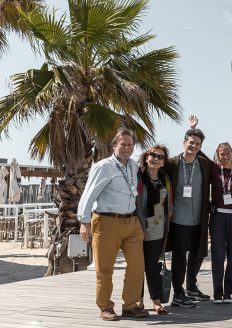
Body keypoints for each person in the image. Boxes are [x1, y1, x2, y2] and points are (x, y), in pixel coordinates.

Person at [77, 128, 148, 320]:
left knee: (136, 266)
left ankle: (131, 305)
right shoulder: (103, 166)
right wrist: (84, 222)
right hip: (106, 222)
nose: (126, 148)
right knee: (104, 269)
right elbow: (88, 194)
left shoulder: (133, 165)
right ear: (114, 145)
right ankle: (105, 307)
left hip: (132, 222)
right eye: (122, 144)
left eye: (130, 144)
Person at [189, 116, 232, 304]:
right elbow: (198, 151)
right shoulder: (214, 168)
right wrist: (194, 128)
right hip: (218, 217)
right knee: (218, 256)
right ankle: (218, 292)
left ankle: (229, 292)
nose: (224, 155)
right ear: (217, 155)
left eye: (227, 152)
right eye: (221, 153)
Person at [163, 128, 212, 306]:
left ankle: (191, 287)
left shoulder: (204, 164)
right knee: (179, 258)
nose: (194, 146)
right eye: (191, 142)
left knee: (198, 255)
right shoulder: (171, 164)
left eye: (198, 144)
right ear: (184, 143)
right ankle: (178, 293)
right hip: (178, 220)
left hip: (199, 219)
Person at [135, 145, 173, 315]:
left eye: (160, 157)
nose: (156, 159)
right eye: (153, 155)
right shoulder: (137, 176)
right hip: (137, 226)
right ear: (146, 157)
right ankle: (138, 300)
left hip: (157, 228)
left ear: (164, 162)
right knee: (137, 266)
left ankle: (156, 301)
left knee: (153, 266)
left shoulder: (165, 179)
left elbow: (168, 205)